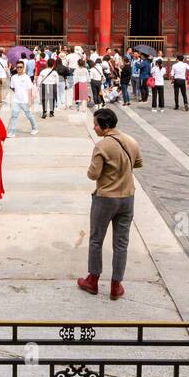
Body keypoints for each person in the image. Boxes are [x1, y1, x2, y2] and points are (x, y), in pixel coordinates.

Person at [76, 107, 144, 301]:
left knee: (96, 239)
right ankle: (116, 285)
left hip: (105, 198)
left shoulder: (102, 146)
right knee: (121, 243)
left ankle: (93, 279)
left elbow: (93, 175)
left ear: (104, 126)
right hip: (127, 197)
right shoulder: (131, 140)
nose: (94, 127)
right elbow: (138, 163)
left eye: (96, 124)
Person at [8, 62, 38, 136]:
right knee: (14, 115)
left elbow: (30, 89)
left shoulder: (26, 77)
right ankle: (12, 132)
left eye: (20, 67)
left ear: (23, 68)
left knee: (29, 115)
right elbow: (13, 88)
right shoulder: (13, 77)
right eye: (17, 67)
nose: (19, 68)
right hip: (16, 100)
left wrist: (30, 100)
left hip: (25, 100)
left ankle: (35, 128)